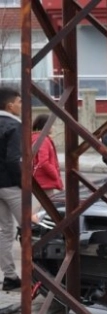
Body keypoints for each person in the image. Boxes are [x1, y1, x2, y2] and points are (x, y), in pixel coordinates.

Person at [0, 87, 23, 290]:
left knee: (5, 231)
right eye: (19, 102)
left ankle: (9, 277)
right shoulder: (14, 126)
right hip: (11, 185)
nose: (21, 105)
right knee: (32, 227)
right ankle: (40, 273)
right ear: (10, 105)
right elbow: (13, 159)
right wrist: (22, 182)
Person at [30, 114, 63, 223]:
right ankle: (33, 223)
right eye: (52, 125)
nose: (53, 127)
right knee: (48, 206)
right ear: (46, 125)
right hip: (44, 178)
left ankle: (31, 221)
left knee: (45, 204)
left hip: (38, 178)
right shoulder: (43, 139)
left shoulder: (34, 137)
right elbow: (43, 162)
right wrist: (55, 176)